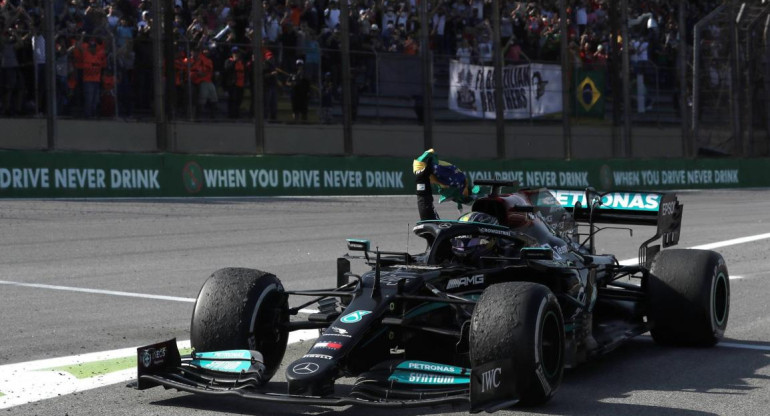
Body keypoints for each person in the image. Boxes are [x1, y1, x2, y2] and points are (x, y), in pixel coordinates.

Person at [223, 47, 245, 119]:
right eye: (235, 53)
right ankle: (231, 116)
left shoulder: (241, 62)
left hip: (240, 84)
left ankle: (236, 114)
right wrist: (234, 61)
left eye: (238, 53)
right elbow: (227, 69)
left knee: (239, 100)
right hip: (233, 84)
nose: (236, 55)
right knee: (232, 100)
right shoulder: (229, 61)